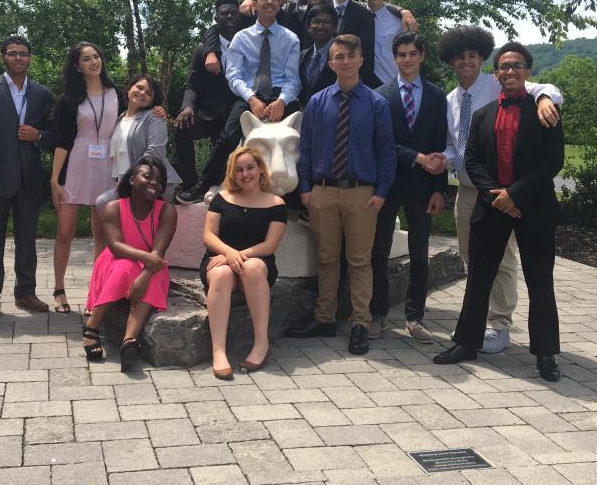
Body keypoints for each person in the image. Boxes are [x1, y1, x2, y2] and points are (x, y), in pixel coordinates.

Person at [434, 42, 565, 382]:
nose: (510, 71)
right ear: (497, 72)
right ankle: (467, 342)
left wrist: (515, 194)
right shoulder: (482, 115)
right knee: (478, 276)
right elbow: (472, 161)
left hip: (532, 207)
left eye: (517, 66)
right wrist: (498, 195)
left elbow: (552, 161)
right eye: (504, 67)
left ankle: (546, 353)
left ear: (527, 72)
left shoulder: (544, 112)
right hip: (491, 205)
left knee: (540, 280)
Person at [288, 34, 395, 355]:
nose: (345, 61)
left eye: (351, 55)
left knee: (360, 261)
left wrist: (381, 193)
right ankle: (325, 317)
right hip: (322, 193)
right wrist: (305, 189)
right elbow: (304, 149)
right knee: (326, 259)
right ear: (331, 62)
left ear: (360, 59)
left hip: (361, 194)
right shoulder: (318, 102)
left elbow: (386, 152)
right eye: (338, 57)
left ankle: (360, 322)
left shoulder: (377, 104)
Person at [181, 0, 302, 200]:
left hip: (280, 94)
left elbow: (293, 79)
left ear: (279, 3)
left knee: (300, 136)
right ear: (255, 3)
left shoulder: (290, 38)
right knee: (228, 136)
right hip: (249, 95)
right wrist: (252, 99)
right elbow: (234, 76)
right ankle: (204, 183)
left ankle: (301, 195)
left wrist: (282, 101)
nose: (269, 2)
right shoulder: (242, 38)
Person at [0, 35, 55, 320]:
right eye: (13, 53)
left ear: (30, 58)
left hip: (28, 178)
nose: (19, 58)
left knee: (27, 240)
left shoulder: (42, 93)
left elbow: (55, 134)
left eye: (24, 54)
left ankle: (26, 293)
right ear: (3, 56)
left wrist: (38, 135)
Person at [370, 33, 447, 342]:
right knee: (378, 251)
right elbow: (382, 143)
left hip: (423, 187)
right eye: (401, 54)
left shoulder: (437, 95)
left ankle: (415, 318)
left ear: (422, 56)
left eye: (412, 53)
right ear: (394, 58)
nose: (407, 59)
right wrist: (416, 157)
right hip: (388, 182)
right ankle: (377, 313)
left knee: (419, 255)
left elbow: (441, 144)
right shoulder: (380, 95)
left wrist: (440, 188)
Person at [81, 156, 178, 372]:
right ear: (132, 179)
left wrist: (144, 275)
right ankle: (93, 326)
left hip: (151, 264)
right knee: (125, 266)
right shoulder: (113, 207)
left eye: (159, 180)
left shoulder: (167, 211)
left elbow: (158, 253)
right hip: (116, 260)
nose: (155, 183)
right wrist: (146, 261)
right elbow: (115, 247)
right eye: (148, 176)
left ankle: (129, 341)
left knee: (151, 273)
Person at [201, 146, 287, 379]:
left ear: (260, 169)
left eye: (250, 167)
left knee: (253, 267)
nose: (245, 174)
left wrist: (238, 256)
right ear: (232, 172)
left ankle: (261, 344)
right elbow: (209, 236)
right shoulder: (221, 198)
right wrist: (229, 254)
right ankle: (218, 350)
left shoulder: (276, 203)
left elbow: (270, 245)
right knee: (221, 274)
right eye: (239, 169)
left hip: (258, 263)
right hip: (219, 259)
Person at [50, 43, 121, 314]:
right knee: (65, 231)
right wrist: (55, 179)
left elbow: (139, 116)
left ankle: (97, 291)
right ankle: (59, 288)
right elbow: (63, 140)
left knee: (101, 232)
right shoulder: (70, 99)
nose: (94, 62)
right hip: (76, 165)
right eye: (86, 59)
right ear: (77, 66)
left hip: (108, 166)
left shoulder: (118, 95)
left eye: (96, 57)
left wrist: (159, 111)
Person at [174, 0, 239, 198]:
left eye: (233, 12)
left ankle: (222, 185)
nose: (229, 16)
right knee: (182, 127)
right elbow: (192, 85)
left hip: (236, 112)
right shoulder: (203, 50)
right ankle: (190, 184)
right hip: (209, 112)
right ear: (216, 18)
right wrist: (187, 107)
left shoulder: (249, 43)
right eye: (224, 13)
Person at [105, 74, 181, 201]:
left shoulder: (154, 116)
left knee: (103, 202)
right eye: (139, 87)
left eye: (148, 93)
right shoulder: (119, 118)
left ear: (152, 101)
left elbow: (155, 152)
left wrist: (129, 178)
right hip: (128, 182)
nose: (142, 93)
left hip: (152, 182)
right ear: (129, 88)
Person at [360, 0, 420, 86]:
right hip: (361, 90)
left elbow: (411, 55)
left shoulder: (400, 22)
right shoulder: (356, 17)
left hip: (390, 87)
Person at [327, 0, 377, 86]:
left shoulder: (365, 15)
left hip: (351, 81)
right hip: (320, 82)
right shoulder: (320, 10)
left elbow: (366, 53)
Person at [297, 3, 337, 107]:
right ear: (309, 27)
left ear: (334, 27)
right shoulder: (302, 56)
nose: (320, 26)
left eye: (326, 22)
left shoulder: (343, 56)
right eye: (315, 22)